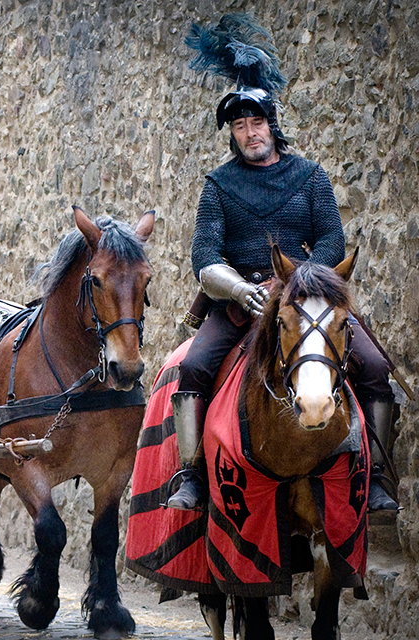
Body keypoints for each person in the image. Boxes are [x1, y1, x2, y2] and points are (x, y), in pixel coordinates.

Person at [169, 14, 399, 513]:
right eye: (239, 125)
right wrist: (236, 290)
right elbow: (204, 257)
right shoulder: (218, 186)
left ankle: (377, 477)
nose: (249, 132)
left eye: (256, 122)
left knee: (377, 369)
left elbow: (331, 241)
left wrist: (298, 284)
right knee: (192, 369)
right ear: (231, 133)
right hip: (243, 301)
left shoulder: (311, 177)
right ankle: (190, 475)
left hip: (310, 297)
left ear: (273, 124)